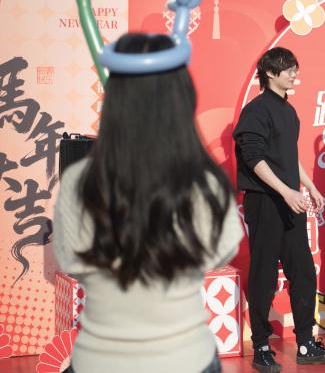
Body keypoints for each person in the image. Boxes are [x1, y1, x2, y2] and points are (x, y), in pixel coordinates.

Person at [53, 33, 244, 373]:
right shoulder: (205, 183)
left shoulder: (77, 181)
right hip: (187, 360)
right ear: (182, 97)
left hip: (100, 362)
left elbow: (71, 261)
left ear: (114, 99)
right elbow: (220, 253)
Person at [234, 47, 325, 372]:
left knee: (304, 271)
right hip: (265, 201)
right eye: (289, 69)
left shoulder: (289, 111)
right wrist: (284, 190)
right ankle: (261, 347)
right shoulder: (256, 110)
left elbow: (287, 156)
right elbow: (253, 157)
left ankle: (306, 342)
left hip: (290, 200)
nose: (295, 74)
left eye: (295, 69)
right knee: (264, 275)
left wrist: (309, 186)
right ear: (271, 73)